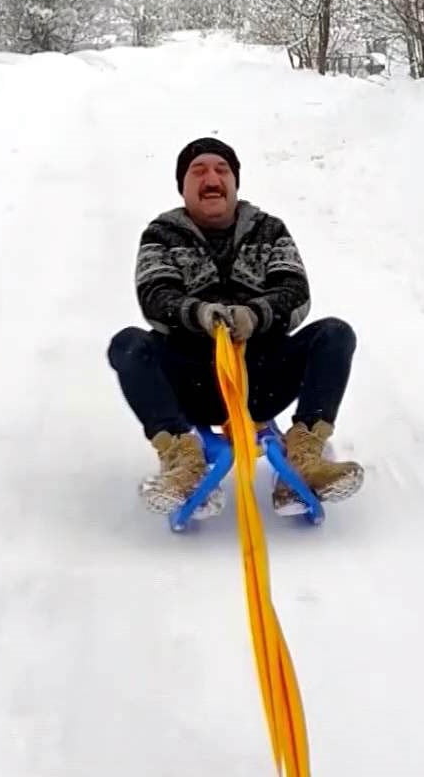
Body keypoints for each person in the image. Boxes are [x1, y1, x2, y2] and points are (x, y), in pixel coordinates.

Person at [108, 136, 364, 517]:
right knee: (128, 344)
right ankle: (182, 461)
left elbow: (295, 291)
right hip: (195, 379)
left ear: (234, 183)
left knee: (334, 334)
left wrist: (254, 315)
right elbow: (155, 296)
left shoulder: (269, 230)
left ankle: (305, 455)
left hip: (263, 376)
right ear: (184, 187)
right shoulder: (161, 234)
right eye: (199, 171)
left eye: (221, 170)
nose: (211, 178)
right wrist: (200, 314)